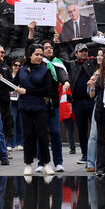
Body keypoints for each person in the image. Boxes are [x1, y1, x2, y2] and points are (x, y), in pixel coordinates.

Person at [14, 44, 56, 176]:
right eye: (36, 54)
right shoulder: (21, 69)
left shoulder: (45, 70)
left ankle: (46, 163)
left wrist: (27, 91)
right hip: (24, 106)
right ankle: (28, 164)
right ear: (29, 55)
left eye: (41, 55)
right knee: (27, 136)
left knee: (42, 135)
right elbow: (13, 84)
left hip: (40, 107)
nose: (39, 57)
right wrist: (0, 77)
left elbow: (46, 91)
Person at [63, 43, 96, 165]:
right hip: (77, 102)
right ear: (76, 53)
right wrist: (57, 43)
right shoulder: (71, 65)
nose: (84, 53)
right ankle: (85, 154)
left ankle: (95, 155)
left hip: (92, 101)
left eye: (86, 51)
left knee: (95, 130)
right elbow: (57, 58)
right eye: (81, 51)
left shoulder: (92, 62)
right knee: (82, 130)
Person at [41, 40, 67, 172]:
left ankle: (58, 162)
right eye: (46, 48)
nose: (49, 49)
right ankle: (41, 162)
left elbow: (62, 74)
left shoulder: (57, 63)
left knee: (55, 132)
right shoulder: (39, 63)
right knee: (41, 133)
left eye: (50, 47)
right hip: (40, 103)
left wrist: (65, 81)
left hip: (53, 103)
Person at [6, 59, 24, 152]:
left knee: (20, 123)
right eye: (15, 65)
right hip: (11, 102)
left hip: (20, 101)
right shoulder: (9, 75)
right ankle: (10, 143)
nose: (17, 67)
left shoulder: (22, 76)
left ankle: (19, 143)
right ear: (12, 66)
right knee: (12, 122)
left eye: (19, 65)